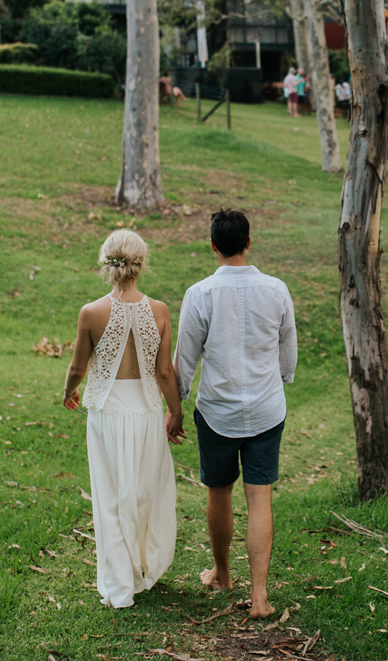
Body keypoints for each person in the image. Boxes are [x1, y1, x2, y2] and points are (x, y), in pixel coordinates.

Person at [175, 209, 297, 620]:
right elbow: (288, 350)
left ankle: (223, 574)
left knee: (219, 491)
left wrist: (175, 405)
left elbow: (185, 361)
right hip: (266, 409)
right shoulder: (277, 290)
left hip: (217, 414)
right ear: (249, 242)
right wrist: (280, 379)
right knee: (259, 497)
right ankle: (260, 597)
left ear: (213, 246)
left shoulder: (200, 294)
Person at [62, 230, 183, 609]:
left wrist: (68, 391)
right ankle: (143, 567)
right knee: (144, 491)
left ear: (106, 264)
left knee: (111, 496)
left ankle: (120, 581)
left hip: (108, 413)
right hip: (146, 412)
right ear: (140, 264)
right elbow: (164, 371)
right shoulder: (159, 310)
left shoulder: (91, 312)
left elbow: (78, 366)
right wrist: (175, 412)